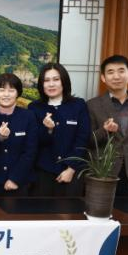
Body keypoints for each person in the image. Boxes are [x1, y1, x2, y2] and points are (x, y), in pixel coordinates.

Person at [87, 54, 128, 196]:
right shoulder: (92, 105)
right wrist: (104, 130)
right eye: (110, 72)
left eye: (121, 71)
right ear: (103, 77)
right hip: (103, 174)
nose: (116, 76)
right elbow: (88, 141)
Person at [28, 63, 91, 196]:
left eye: (56, 79)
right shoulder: (34, 108)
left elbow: (82, 139)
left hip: (72, 172)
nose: (51, 84)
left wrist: (71, 168)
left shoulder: (78, 105)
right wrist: (48, 130)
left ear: (64, 81)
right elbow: (34, 141)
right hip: (43, 172)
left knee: (69, 209)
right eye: (46, 80)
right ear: (41, 84)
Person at [0, 73, 37, 197]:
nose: (6, 94)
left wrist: (15, 178)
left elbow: (30, 152)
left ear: (18, 93)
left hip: (20, 183)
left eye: (11, 90)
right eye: (2, 90)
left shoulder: (29, 116)